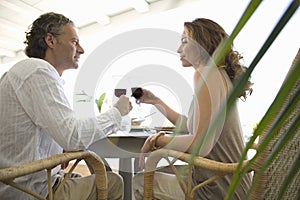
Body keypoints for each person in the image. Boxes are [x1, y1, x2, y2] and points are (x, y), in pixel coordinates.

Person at [0, 12, 132, 200]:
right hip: (30, 192)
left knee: (85, 177)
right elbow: (74, 137)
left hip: (19, 184)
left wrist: (58, 147)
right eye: (74, 42)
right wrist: (118, 112)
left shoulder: (26, 72)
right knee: (114, 182)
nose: (81, 50)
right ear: (50, 41)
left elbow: (52, 133)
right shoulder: (38, 71)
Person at [132, 18, 253, 199]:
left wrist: (157, 140)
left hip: (217, 189)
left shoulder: (205, 73)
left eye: (184, 41)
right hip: (235, 185)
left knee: (140, 182)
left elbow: (200, 145)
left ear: (202, 44)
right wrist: (157, 101)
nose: (178, 49)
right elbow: (192, 127)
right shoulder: (217, 74)